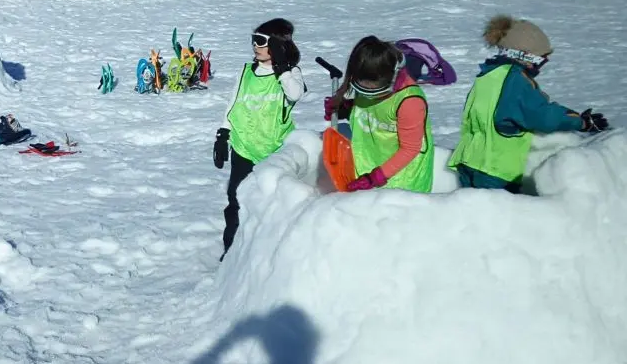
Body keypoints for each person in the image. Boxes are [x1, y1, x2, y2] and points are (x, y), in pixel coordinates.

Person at [448, 15, 609, 192]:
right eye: (542, 59)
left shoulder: (487, 75)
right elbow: (542, 116)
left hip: (469, 162)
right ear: (524, 56)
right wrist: (581, 122)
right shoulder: (516, 80)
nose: (542, 66)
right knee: (497, 218)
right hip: (495, 170)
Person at [214, 19, 305, 256]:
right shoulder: (246, 71)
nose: (255, 46)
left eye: (262, 41)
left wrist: (282, 67)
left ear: (276, 44)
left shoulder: (289, 74)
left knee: (270, 204)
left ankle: (265, 254)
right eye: (253, 39)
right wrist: (223, 134)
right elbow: (233, 103)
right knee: (235, 201)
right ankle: (231, 253)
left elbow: (295, 94)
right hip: (243, 147)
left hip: (273, 152)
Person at [327, 36, 434, 193]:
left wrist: (376, 177)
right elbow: (372, 112)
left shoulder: (409, 102)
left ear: (391, 77)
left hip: (401, 179)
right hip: (368, 164)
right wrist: (345, 109)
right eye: (363, 87)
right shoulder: (368, 78)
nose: (368, 92)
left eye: (374, 88)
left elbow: (410, 149)